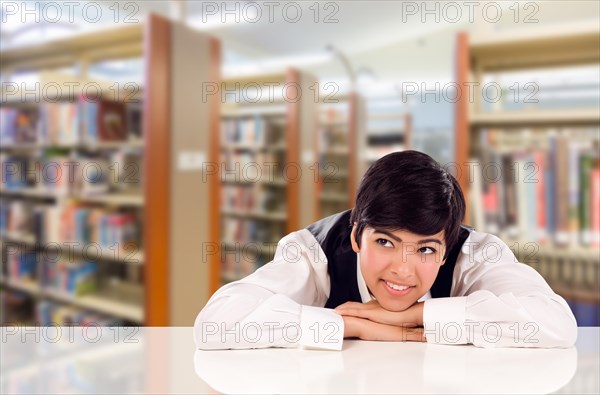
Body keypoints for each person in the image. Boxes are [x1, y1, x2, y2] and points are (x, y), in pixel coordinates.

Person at [194, 150, 577, 350]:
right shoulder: (312, 251)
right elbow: (215, 325)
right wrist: (350, 324)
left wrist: (413, 318)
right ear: (356, 235)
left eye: (426, 250)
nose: (403, 270)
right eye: (384, 243)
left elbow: (557, 325)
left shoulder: (476, 253)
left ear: (446, 250)